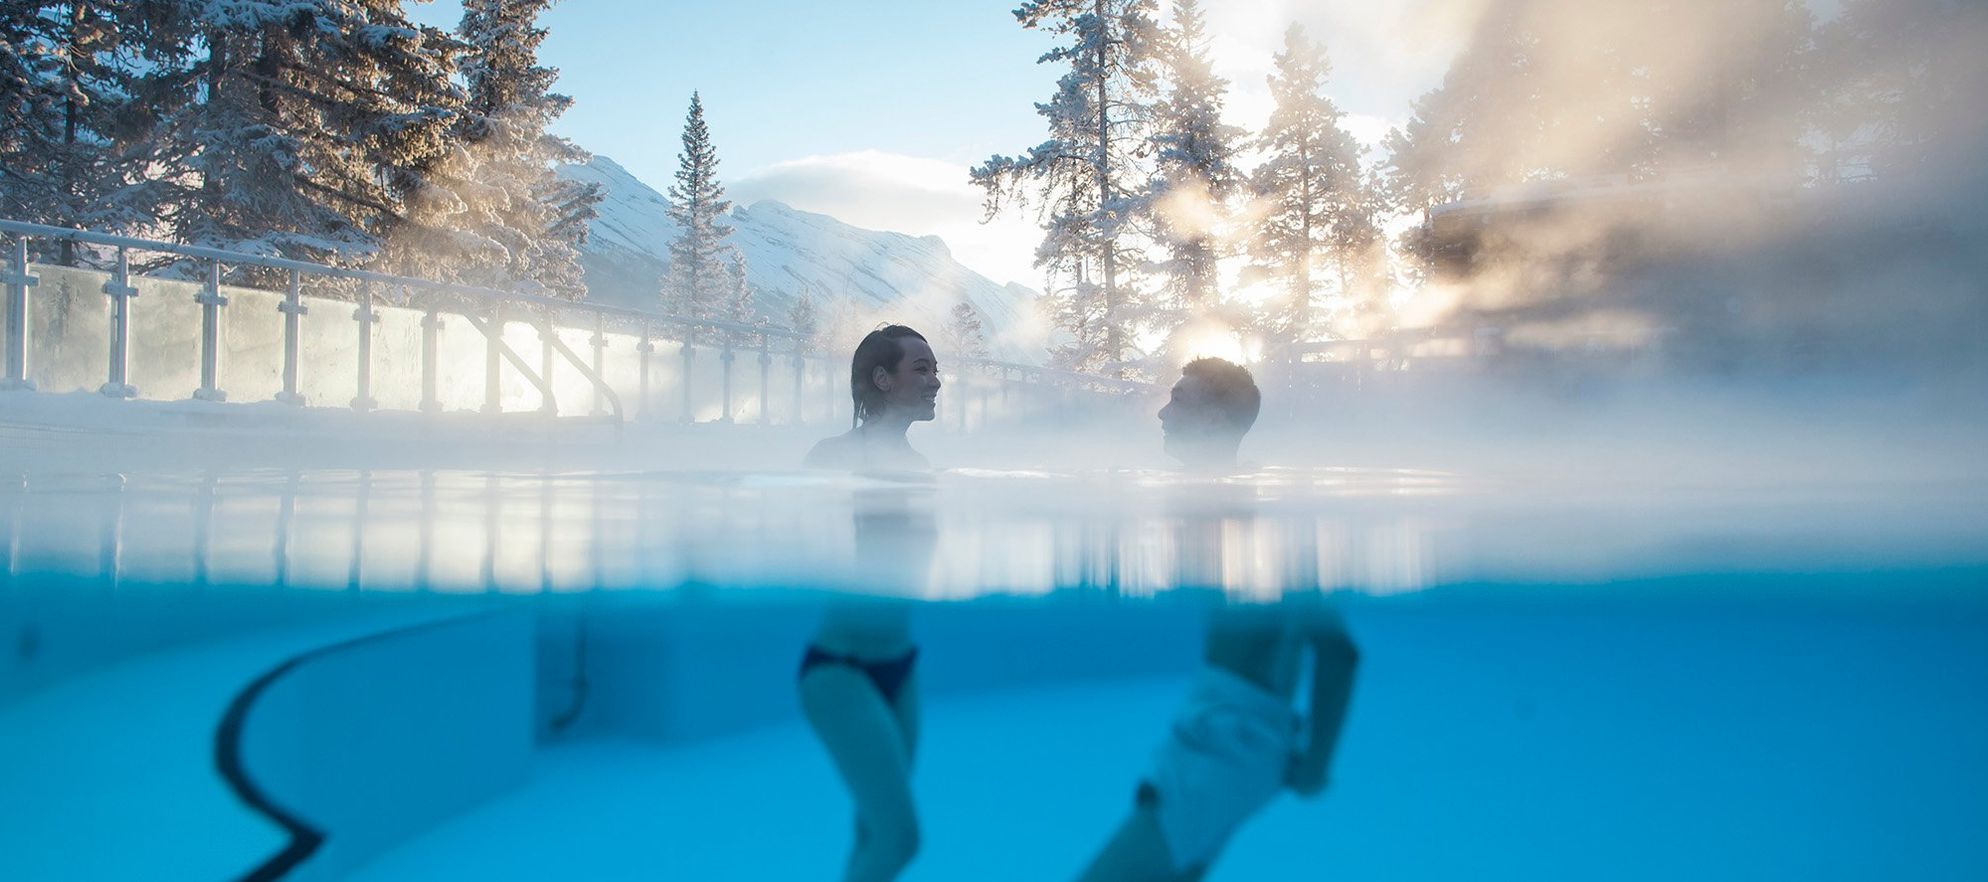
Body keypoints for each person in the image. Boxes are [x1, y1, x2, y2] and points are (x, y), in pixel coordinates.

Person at [1077, 357, 1360, 882]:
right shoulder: (1202, 501)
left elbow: (1338, 651)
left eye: (1178, 399)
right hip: (1218, 730)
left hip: (1232, 741)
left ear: (1213, 420)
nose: (1162, 413)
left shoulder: (1256, 514)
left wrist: (1317, 764)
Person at [800, 324, 942, 882]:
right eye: (922, 368)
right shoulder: (833, 458)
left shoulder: (920, 470)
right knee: (900, 838)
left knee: (872, 831)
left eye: (936, 369)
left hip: (899, 668)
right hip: (841, 671)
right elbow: (810, 548)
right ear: (882, 379)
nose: (936, 381)